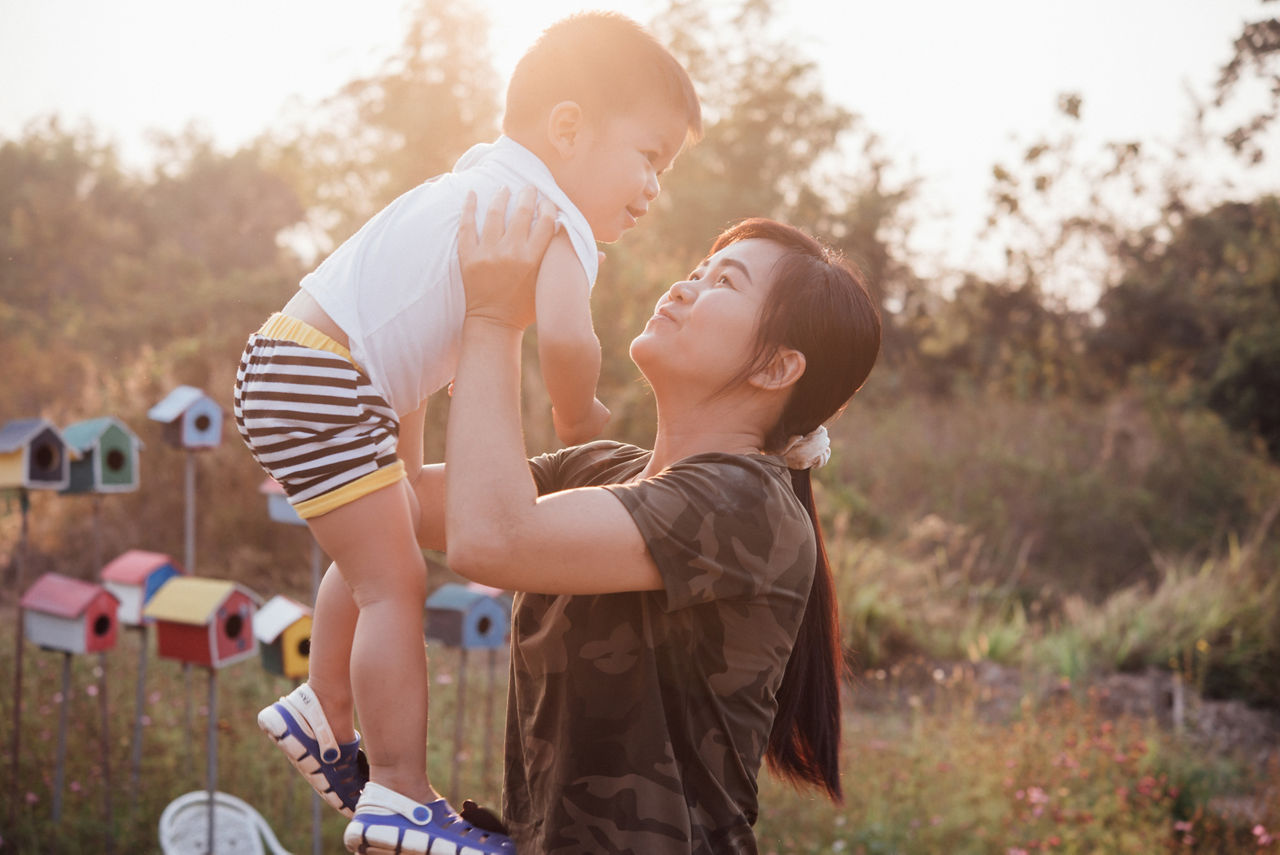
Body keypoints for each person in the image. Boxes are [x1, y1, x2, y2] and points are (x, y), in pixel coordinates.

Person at [231, 12, 700, 854]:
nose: (653, 187)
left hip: (303, 358)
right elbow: (565, 337)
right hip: (332, 377)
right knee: (395, 584)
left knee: (392, 527)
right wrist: (578, 413)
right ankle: (400, 793)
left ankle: (322, 705)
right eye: (649, 156)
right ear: (569, 128)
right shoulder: (552, 216)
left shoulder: (478, 177)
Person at [437, 189, 883, 852]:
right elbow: (394, 500)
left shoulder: (748, 507)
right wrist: (406, 338)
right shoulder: (600, 470)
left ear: (776, 366)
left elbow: (488, 536)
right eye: (700, 269)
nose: (684, 286)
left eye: (724, 283)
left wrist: (495, 319)